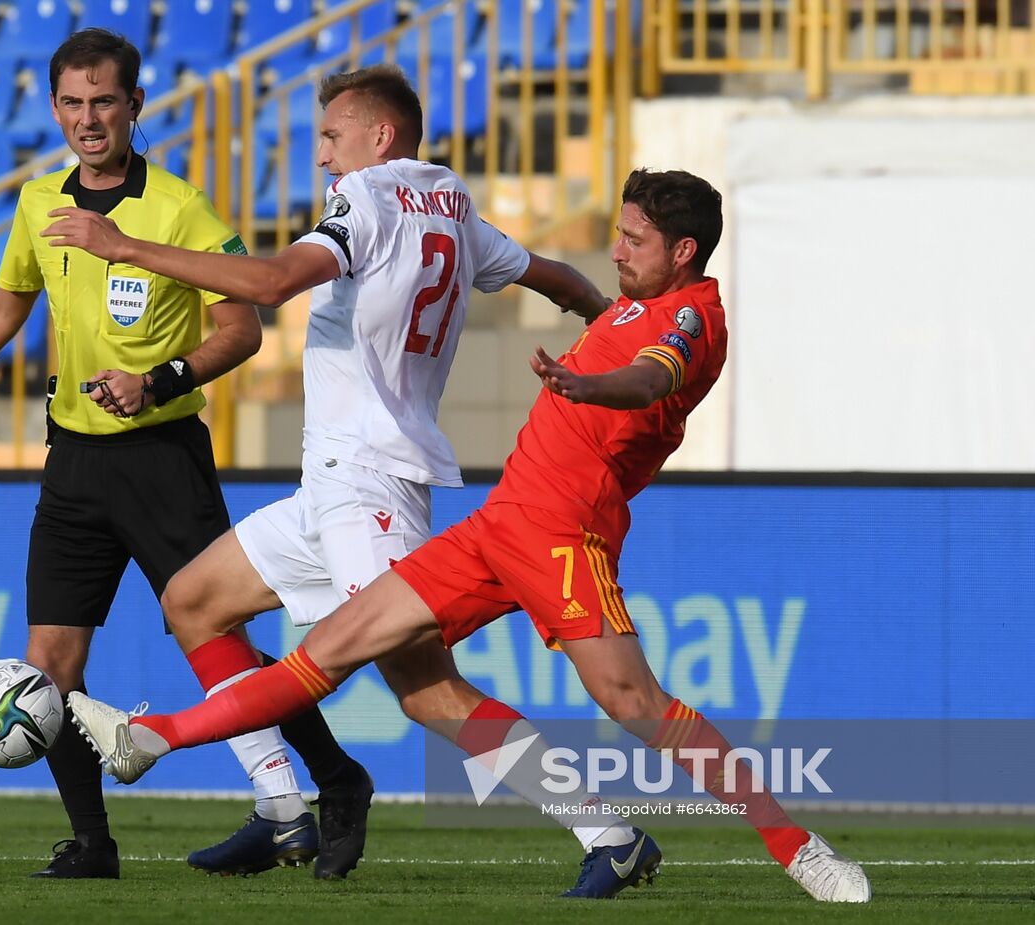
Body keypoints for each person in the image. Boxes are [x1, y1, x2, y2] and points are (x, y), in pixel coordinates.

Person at [69, 168, 874, 903]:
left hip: (566, 537)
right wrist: (582, 308)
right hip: (497, 525)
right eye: (620, 232)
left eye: (634, 240)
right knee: (337, 647)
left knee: (636, 703)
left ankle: (798, 846)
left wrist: (586, 382)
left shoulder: (696, 316)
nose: (617, 248)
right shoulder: (633, 299)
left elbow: (651, 378)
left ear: (685, 250)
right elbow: (579, 292)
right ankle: (151, 736)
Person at [39, 63, 635, 881]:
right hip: (330, 487)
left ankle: (608, 831)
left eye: (330, 136)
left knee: (428, 692)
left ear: (378, 136)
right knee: (193, 601)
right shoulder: (452, 204)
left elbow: (276, 283)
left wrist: (124, 245)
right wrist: (618, 327)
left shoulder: (373, 196)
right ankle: (284, 807)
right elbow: (555, 279)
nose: (322, 158)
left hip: (372, 487)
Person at [0, 29, 366, 880]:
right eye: (72, 103)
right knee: (51, 664)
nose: (88, 119)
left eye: (104, 101)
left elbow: (241, 328)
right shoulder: (41, 201)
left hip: (162, 458)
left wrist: (156, 379)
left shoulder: (178, 208)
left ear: (135, 106)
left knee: (214, 637)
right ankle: (93, 843)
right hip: (72, 462)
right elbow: (6, 305)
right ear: (54, 109)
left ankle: (327, 784)